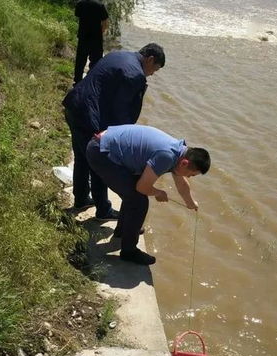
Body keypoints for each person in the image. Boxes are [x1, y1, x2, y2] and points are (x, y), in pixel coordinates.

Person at [62, 43, 165, 220]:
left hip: (74, 106)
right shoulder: (135, 75)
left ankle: (81, 199)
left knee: (81, 157)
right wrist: (118, 140)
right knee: (99, 163)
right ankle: (103, 210)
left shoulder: (119, 55)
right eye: (154, 70)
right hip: (88, 117)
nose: (152, 74)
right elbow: (122, 111)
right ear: (150, 59)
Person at [86, 125, 211, 265]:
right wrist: (158, 192)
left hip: (105, 145)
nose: (190, 177)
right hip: (101, 152)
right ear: (184, 163)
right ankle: (129, 251)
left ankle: (123, 231)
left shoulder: (180, 151)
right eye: (191, 174)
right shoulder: (167, 155)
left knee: (133, 195)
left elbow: (181, 183)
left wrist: (190, 202)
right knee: (139, 201)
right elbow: (142, 187)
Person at [73, 0, 109, 85]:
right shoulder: (100, 6)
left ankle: (77, 82)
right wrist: (101, 32)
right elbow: (105, 23)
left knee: (80, 61)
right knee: (95, 62)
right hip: (96, 39)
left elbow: (78, 16)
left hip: (83, 37)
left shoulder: (80, 4)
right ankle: (91, 82)